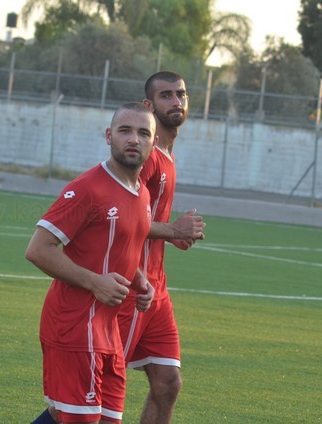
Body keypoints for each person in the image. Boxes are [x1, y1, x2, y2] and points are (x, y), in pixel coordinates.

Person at [26, 102, 156, 424]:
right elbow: (39, 249)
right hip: (74, 324)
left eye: (143, 133)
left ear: (153, 143)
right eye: (125, 130)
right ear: (109, 136)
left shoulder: (142, 194)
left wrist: (139, 279)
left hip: (108, 328)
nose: (133, 139)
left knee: (83, 416)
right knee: (78, 418)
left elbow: (118, 246)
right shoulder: (87, 188)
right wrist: (96, 282)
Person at [117, 71, 206, 423]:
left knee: (167, 383)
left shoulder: (167, 153)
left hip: (158, 291)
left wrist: (172, 234)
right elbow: (123, 216)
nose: (176, 101)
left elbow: (146, 219)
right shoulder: (149, 156)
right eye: (166, 95)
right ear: (148, 105)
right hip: (129, 287)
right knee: (94, 386)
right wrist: (171, 228)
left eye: (181, 94)